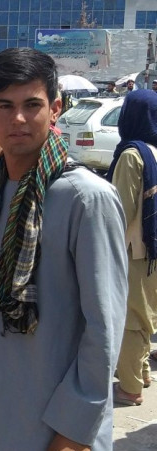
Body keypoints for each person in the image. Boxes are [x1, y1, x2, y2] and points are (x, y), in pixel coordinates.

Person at [0, 47, 127, 451]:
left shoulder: (85, 198)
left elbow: (104, 328)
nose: (18, 120)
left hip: (57, 429)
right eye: (5, 107)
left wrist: (76, 426)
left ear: (55, 108)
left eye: (32, 105)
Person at [108, 90, 157, 405]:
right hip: (152, 251)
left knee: (132, 318)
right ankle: (141, 371)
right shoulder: (153, 150)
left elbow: (119, 211)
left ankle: (130, 387)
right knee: (147, 312)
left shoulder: (132, 155)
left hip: (135, 251)